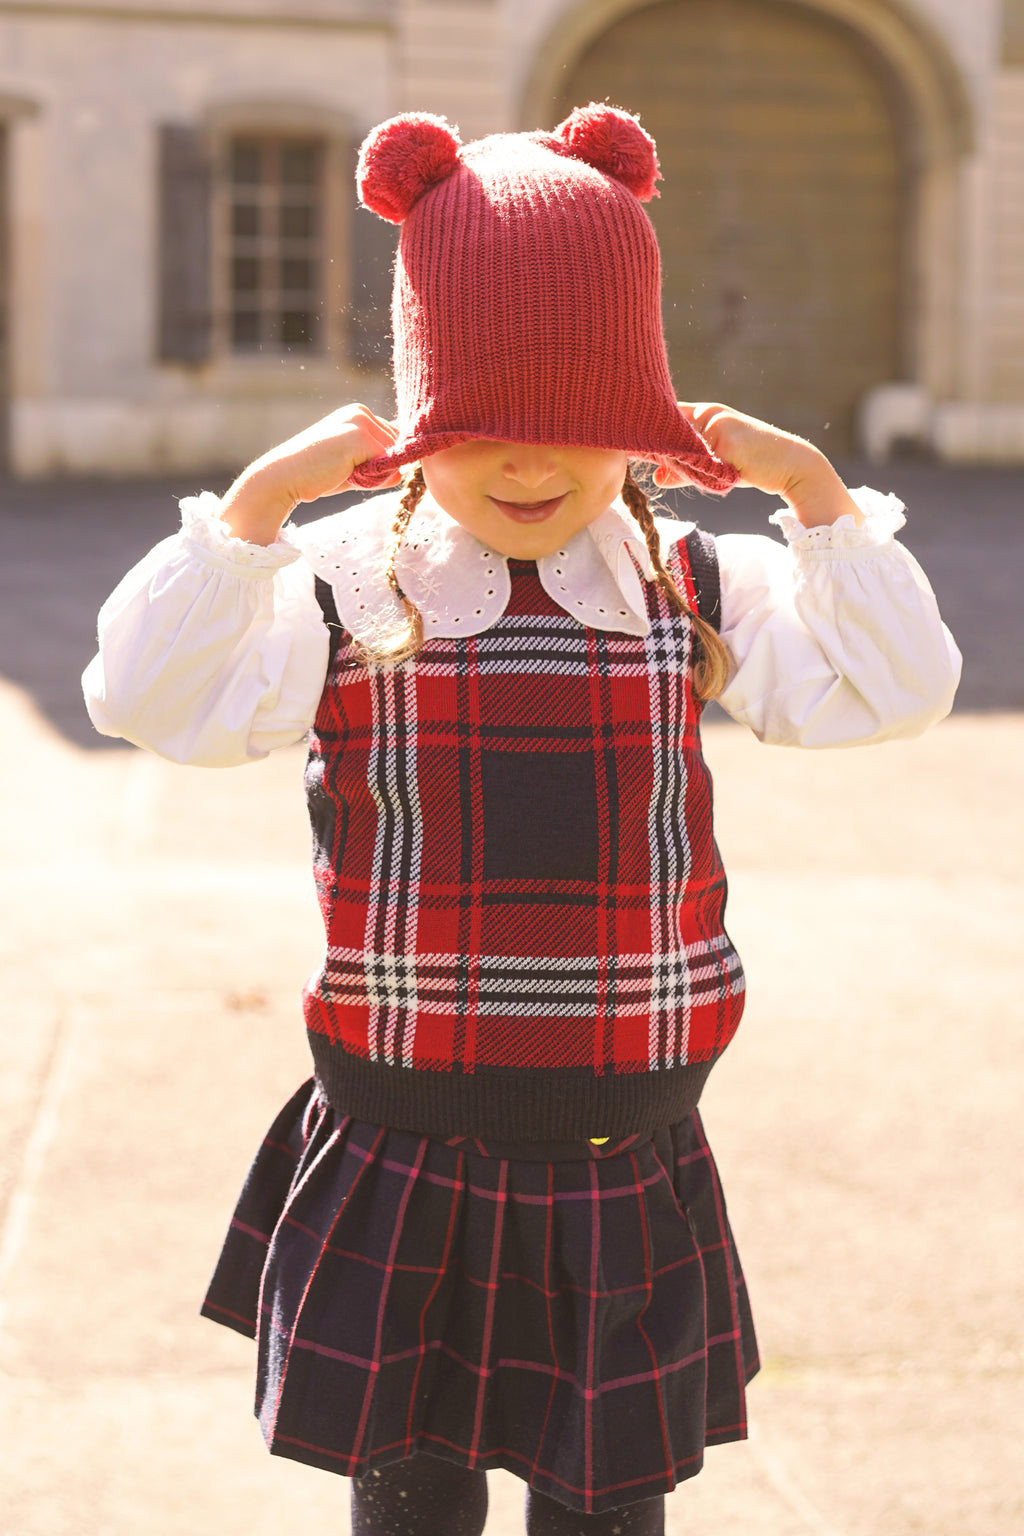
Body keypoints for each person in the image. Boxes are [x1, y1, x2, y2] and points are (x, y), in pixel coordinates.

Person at [83, 106, 960, 1536]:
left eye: (583, 422)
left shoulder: (686, 582)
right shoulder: (351, 589)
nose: (534, 463)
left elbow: (899, 690)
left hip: (628, 1143)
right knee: (414, 1495)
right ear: (422, 424)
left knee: (606, 1506)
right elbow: (145, 698)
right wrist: (251, 514)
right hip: (406, 1139)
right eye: (484, 423)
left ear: (641, 425)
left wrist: (814, 497)